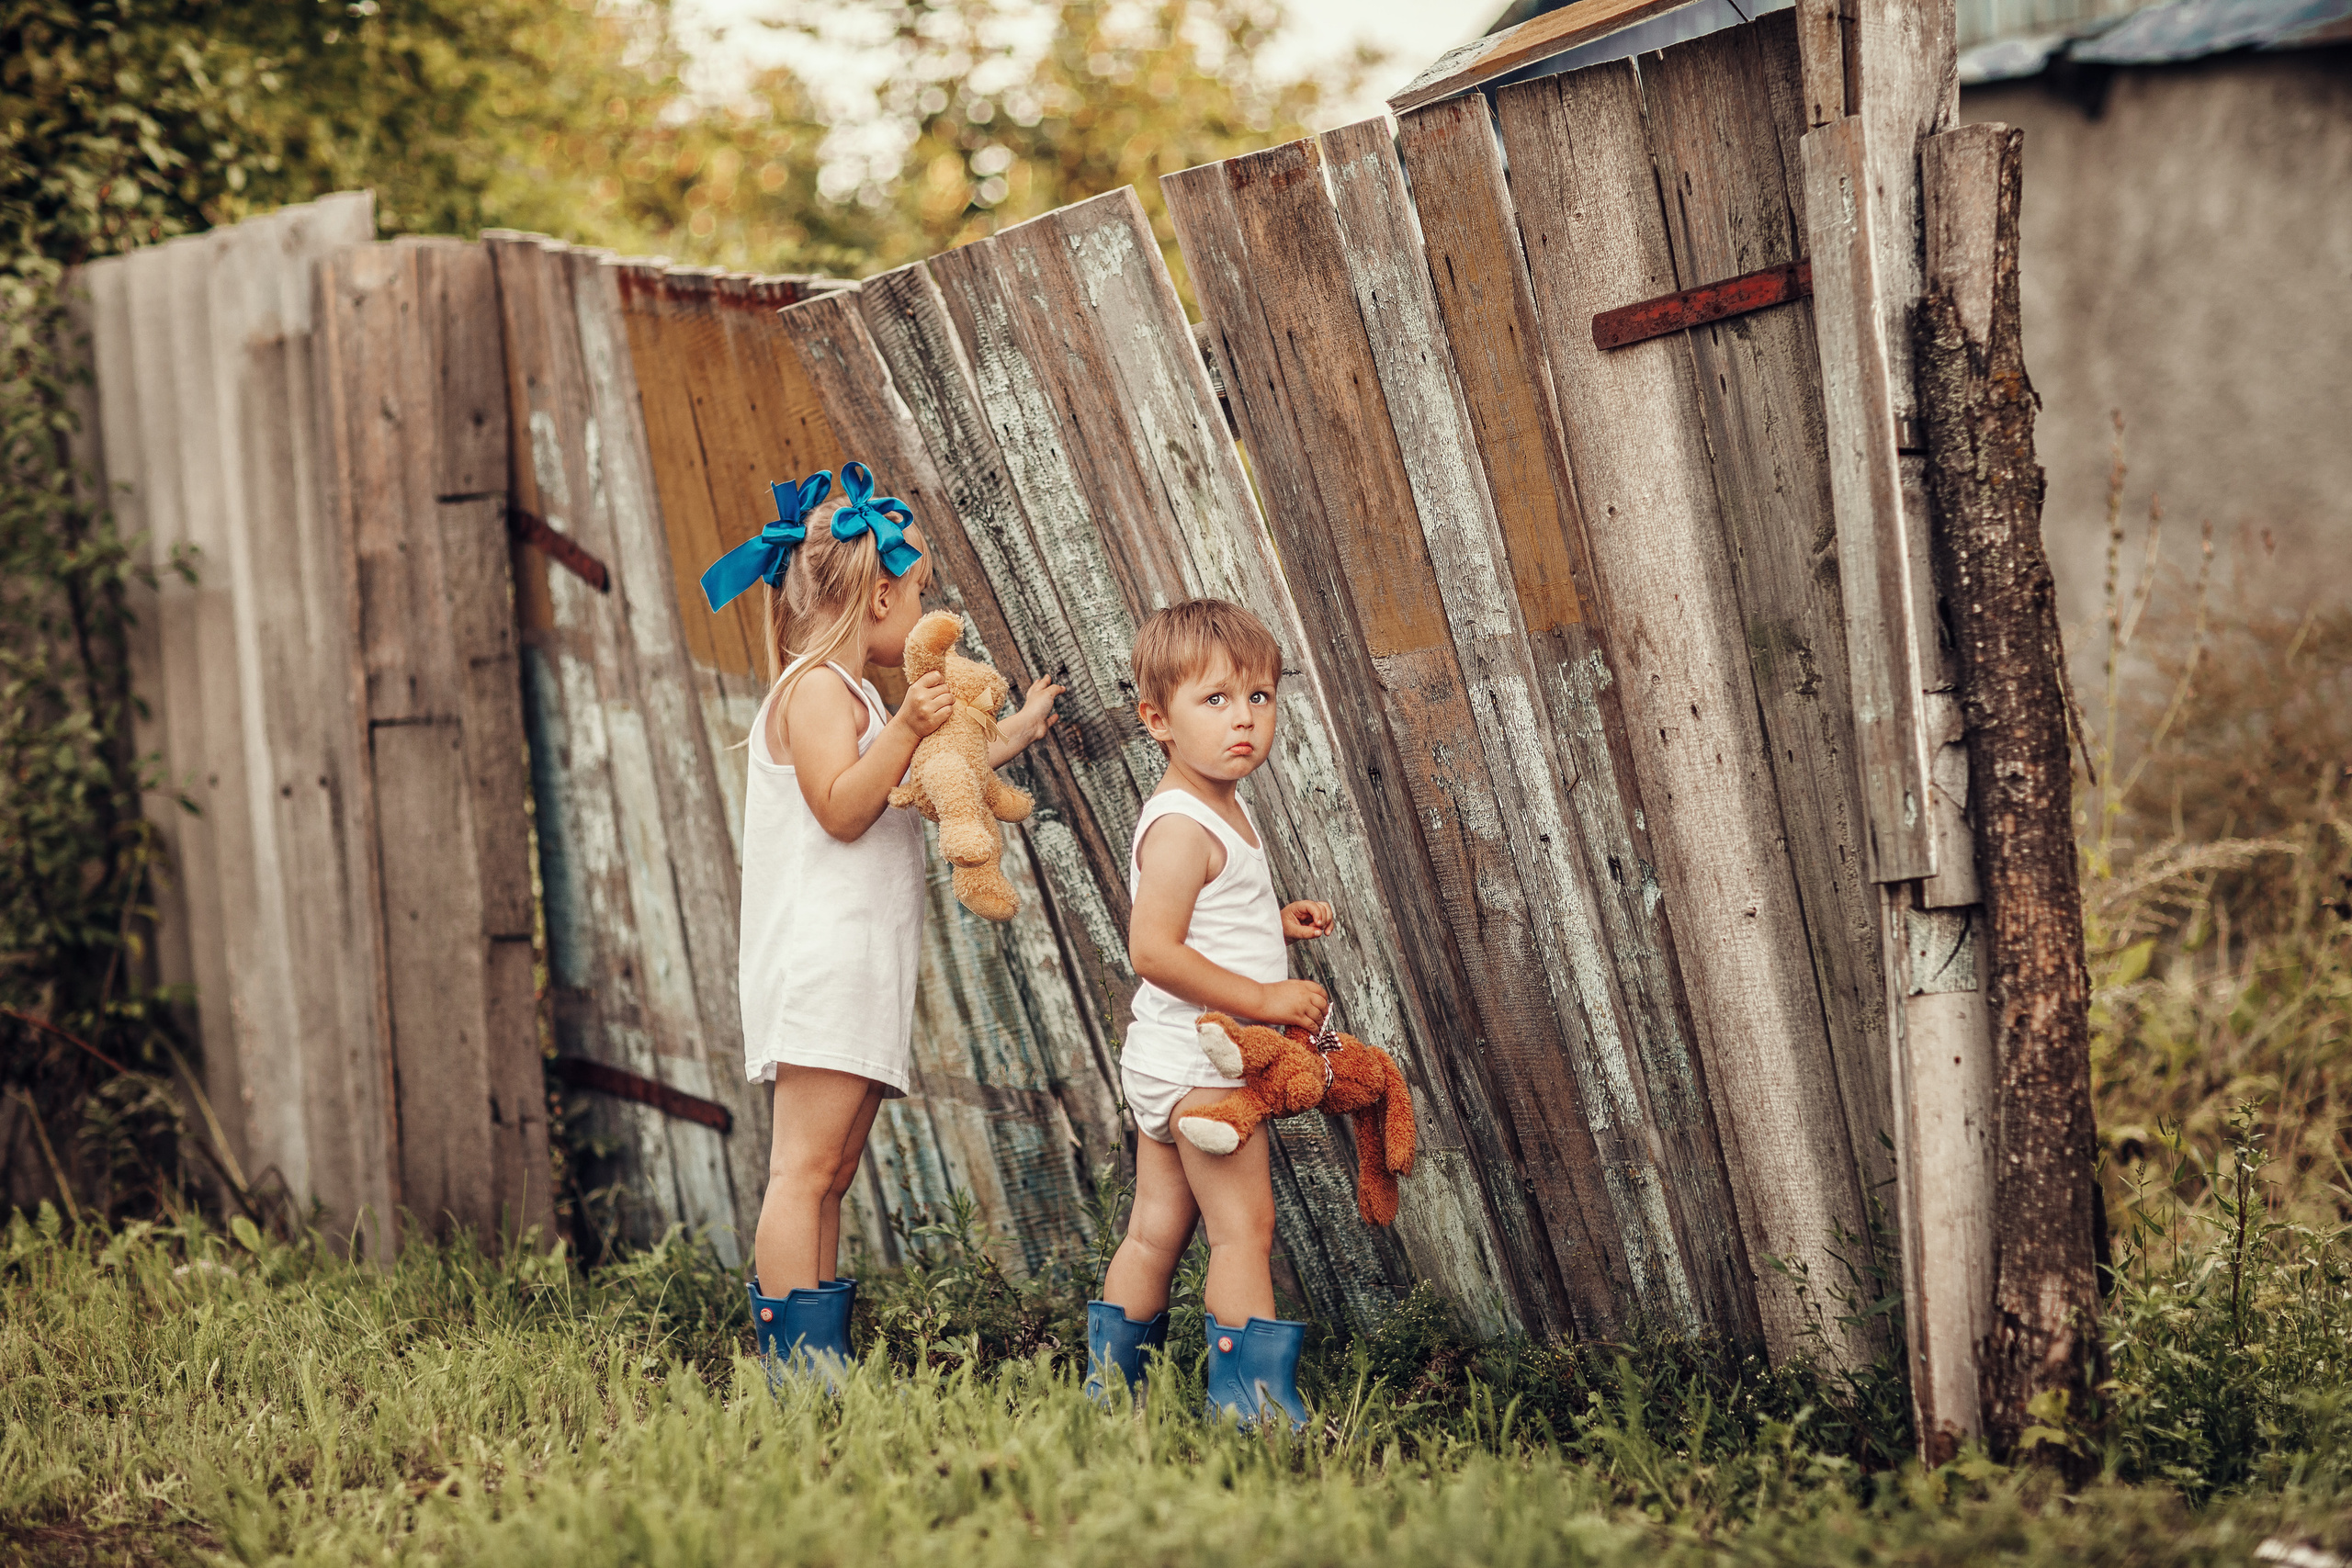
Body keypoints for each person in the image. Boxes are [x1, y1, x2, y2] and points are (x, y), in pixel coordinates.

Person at [701, 463, 1061, 1375]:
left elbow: (935, 772)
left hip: (860, 965)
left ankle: (817, 1355)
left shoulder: (855, 695)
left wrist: (1014, 730)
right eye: (921, 592)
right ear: (878, 598)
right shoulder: (817, 689)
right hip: (820, 966)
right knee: (802, 1173)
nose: (930, 609)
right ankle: (795, 1367)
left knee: (831, 1174)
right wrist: (903, 725)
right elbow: (840, 806)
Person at [1088, 599, 1335, 1426]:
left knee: (1156, 1229)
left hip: (1170, 1059)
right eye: (1216, 699)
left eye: (1259, 697)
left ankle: (1111, 1392)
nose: (1244, 719)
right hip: (1205, 1067)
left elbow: (1202, 925)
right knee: (1242, 1231)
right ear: (1157, 719)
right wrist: (1265, 998)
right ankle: (1251, 1405)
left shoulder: (1216, 804)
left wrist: (1271, 925)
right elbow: (1153, 950)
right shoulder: (1183, 827)